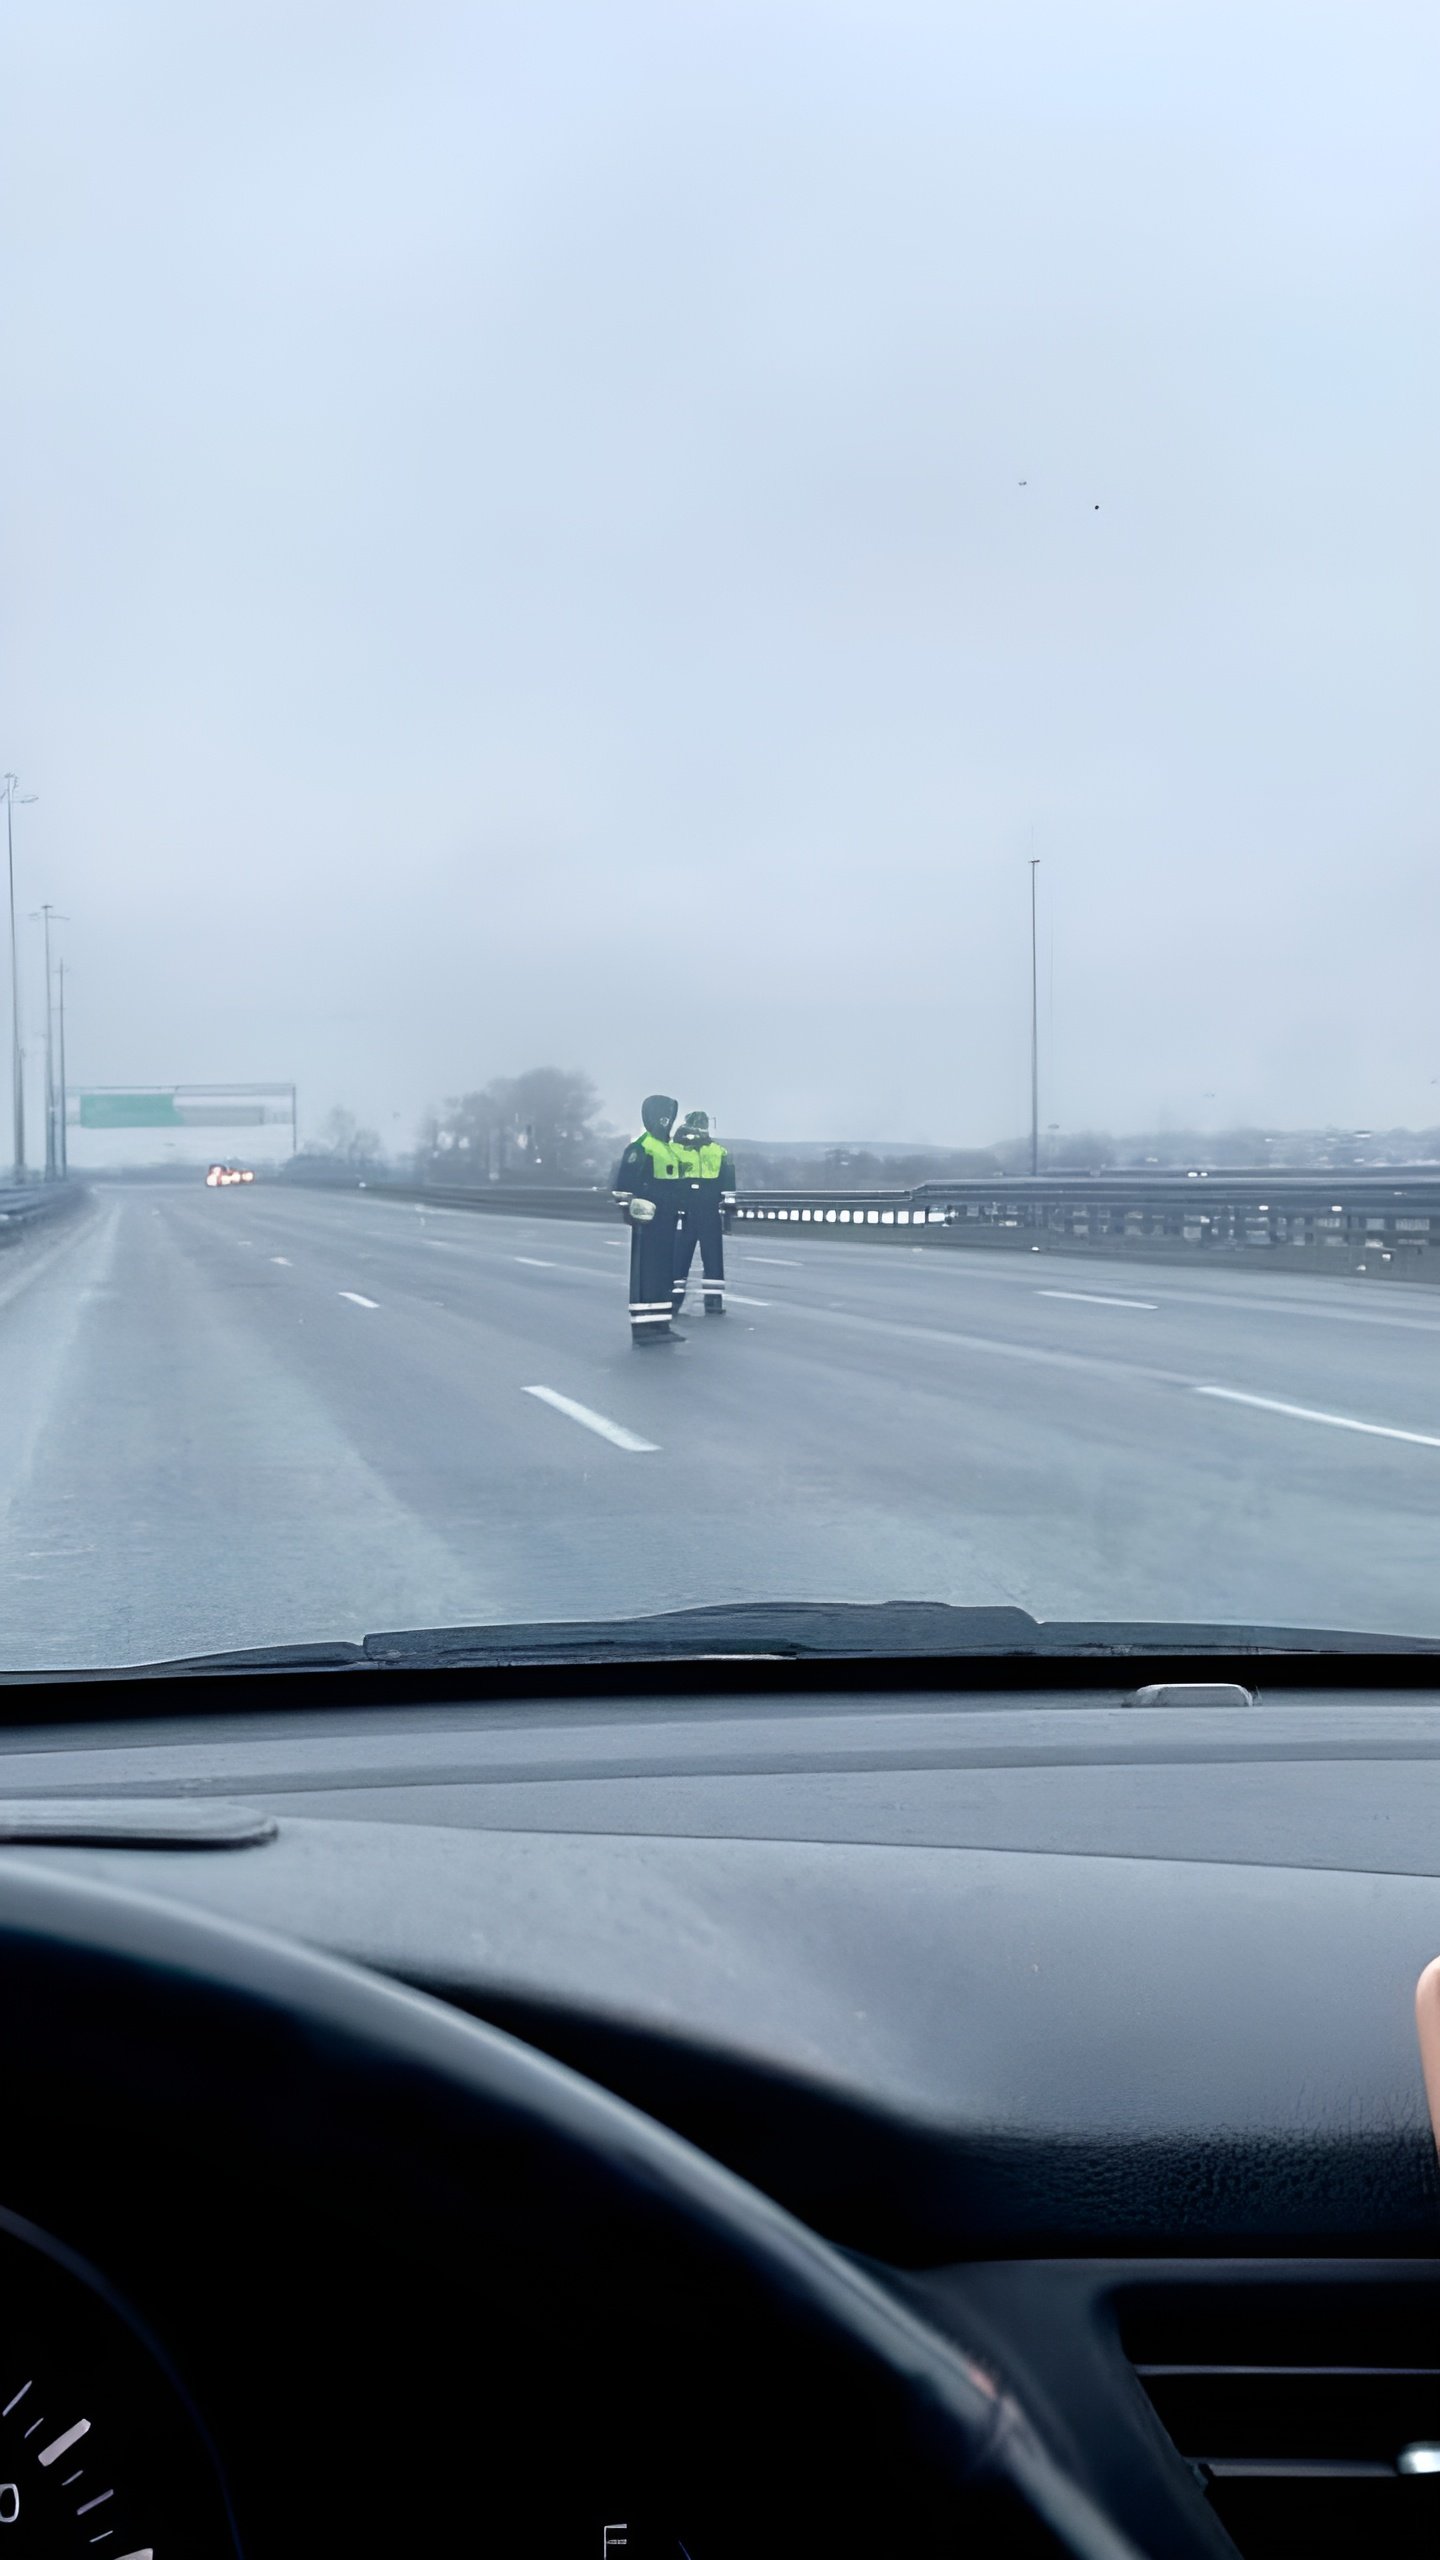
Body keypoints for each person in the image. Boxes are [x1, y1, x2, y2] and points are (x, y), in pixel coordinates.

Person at [611, 1094, 686, 1345]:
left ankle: (661, 1325)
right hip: (648, 1223)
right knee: (647, 1274)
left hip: (668, 1221)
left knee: (664, 1274)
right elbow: (624, 1188)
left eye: (670, 1117)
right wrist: (632, 1215)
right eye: (664, 1116)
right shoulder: (639, 1148)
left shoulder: (670, 1148)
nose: (668, 1122)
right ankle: (643, 1328)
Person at [670, 1111, 736, 1317]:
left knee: (712, 1259)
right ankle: (674, 1301)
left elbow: (728, 1185)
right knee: (679, 1259)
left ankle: (713, 1301)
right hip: (686, 1211)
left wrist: (727, 1209)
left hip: (708, 1210)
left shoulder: (718, 1151)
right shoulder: (674, 1149)